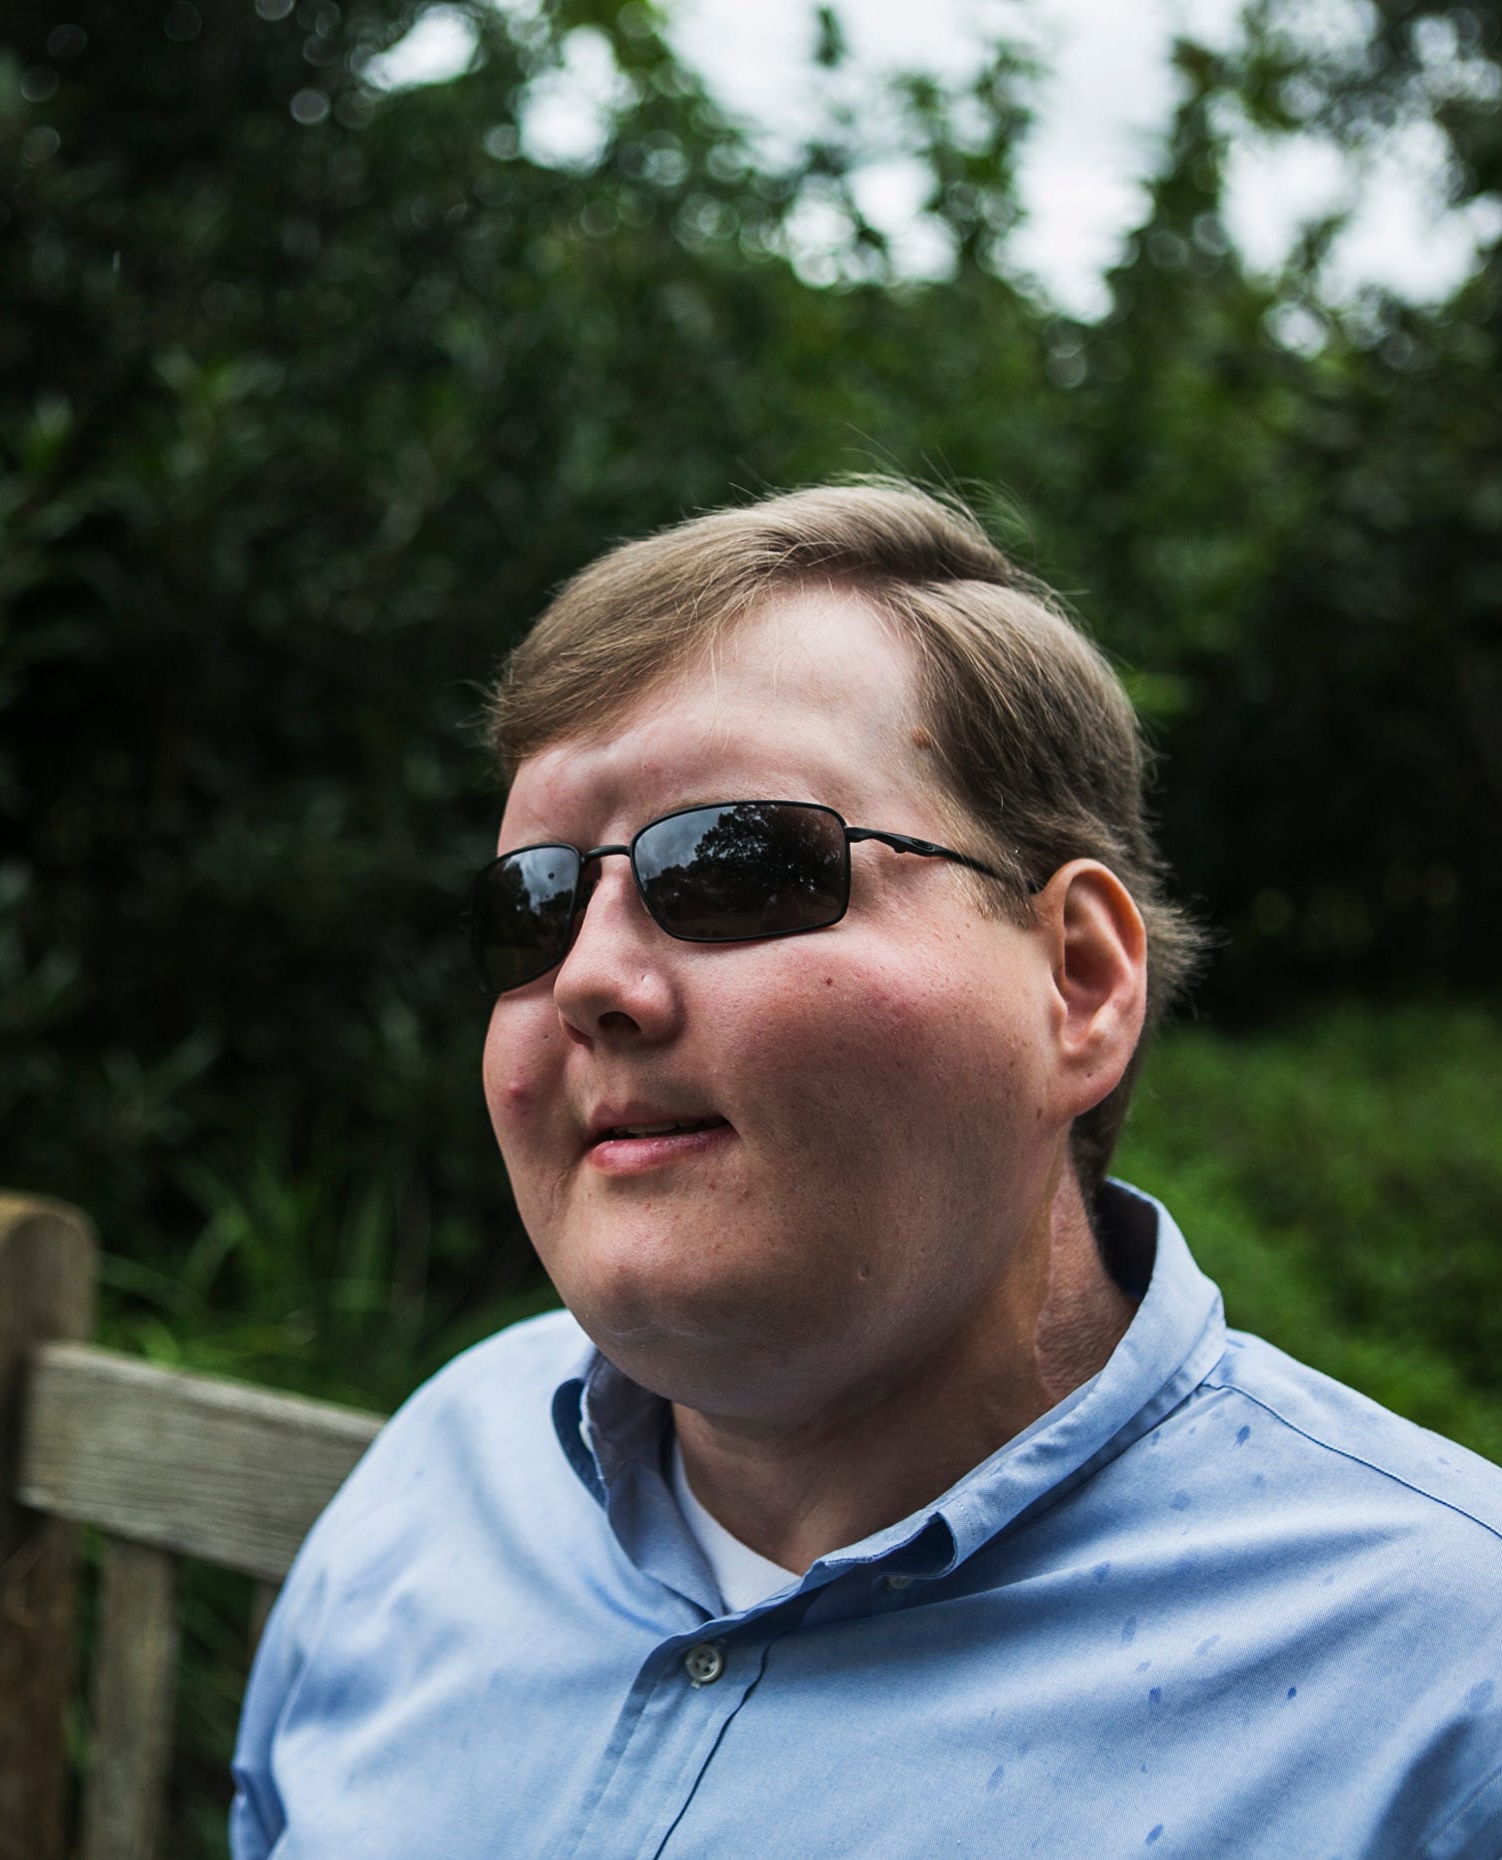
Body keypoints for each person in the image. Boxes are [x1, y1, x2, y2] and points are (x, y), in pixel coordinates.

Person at [229, 481, 1502, 1858]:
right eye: (529, 909)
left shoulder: (1441, 1693)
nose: (587, 974)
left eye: (735, 865)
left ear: (1076, 982)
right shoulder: (444, 1470)